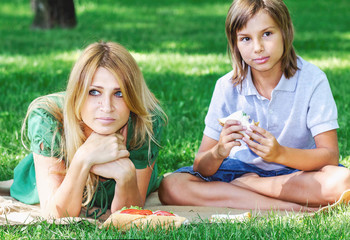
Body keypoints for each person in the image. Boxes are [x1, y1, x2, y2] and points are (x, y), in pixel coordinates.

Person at [158, 0, 350, 211]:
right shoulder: (226, 86)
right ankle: (284, 206)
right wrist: (219, 151)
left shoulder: (313, 80)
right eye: (246, 39)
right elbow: (201, 166)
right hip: (238, 170)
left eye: (267, 34)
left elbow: (329, 156)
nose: (258, 48)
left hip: (297, 171)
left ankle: (252, 187)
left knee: (344, 181)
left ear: (286, 32)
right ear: (235, 43)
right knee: (170, 186)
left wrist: (279, 154)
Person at [10, 41, 167, 218]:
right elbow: (56, 215)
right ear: (78, 93)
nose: (107, 107)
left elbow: (129, 214)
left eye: (119, 93)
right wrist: (84, 158)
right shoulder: (49, 118)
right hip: (49, 182)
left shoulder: (145, 119)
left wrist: (127, 177)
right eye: (94, 92)